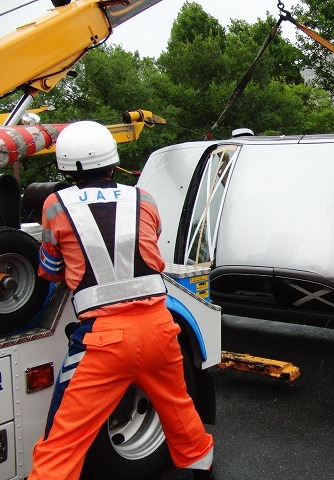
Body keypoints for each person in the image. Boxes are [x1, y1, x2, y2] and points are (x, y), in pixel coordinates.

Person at [32, 120, 214, 479]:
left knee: (64, 438)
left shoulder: (55, 204)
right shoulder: (142, 197)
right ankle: (202, 468)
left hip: (102, 340)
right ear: (114, 162)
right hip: (160, 326)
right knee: (178, 409)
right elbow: (149, 240)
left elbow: (50, 269)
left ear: (65, 168)